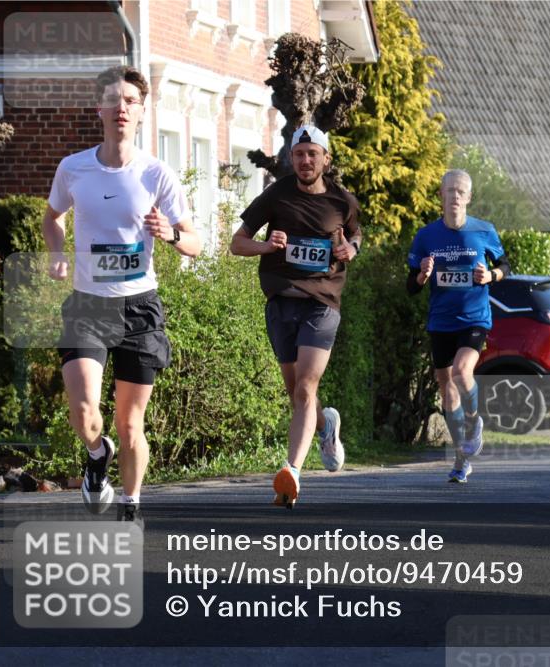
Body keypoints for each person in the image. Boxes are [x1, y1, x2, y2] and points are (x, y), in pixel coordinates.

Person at [43, 66, 202, 522]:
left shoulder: (156, 173)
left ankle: (130, 502)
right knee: (83, 409)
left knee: (130, 424)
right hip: (88, 303)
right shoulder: (73, 168)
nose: (121, 108)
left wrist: (169, 232)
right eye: (113, 99)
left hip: (139, 308)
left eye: (130, 101)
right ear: (99, 108)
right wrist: (58, 253)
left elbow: (195, 242)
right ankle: (96, 455)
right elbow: (52, 217)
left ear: (141, 111)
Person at [231, 124, 360, 507]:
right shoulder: (275, 196)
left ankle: (292, 472)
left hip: (321, 303)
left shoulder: (342, 201)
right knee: (296, 393)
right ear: (293, 158)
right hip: (280, 302)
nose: (305, 161)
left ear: (326, 159)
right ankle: (326, 425)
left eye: (312, 154)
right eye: (299, 154)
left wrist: (350, 249)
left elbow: (355, 235)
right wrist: (265, 245)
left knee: (305, 387)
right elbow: (237, 244)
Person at [407, 170, 509, 483]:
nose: (454, 196)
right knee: (447, 391)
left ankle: (475, 419)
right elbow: (411, 286)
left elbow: (505, 265)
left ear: (468, 197)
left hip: (474, 318)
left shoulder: (484, 230)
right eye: (449, 191)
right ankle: (462, 459)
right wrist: (423, 274)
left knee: (461, 372)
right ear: (441, 196)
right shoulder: (426, 236)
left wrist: (491, 276)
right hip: (441, 320)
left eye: (460, 191)